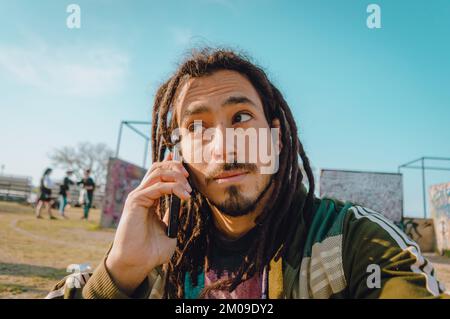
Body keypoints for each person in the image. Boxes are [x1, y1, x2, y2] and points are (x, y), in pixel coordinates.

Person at [48, 48, 448, 299]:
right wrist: (118, 274)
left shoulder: (356, 243)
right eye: (198, 128)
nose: (225, 146)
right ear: (178, 154)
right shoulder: (158, 256)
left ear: (275, 139)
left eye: (241, 118)